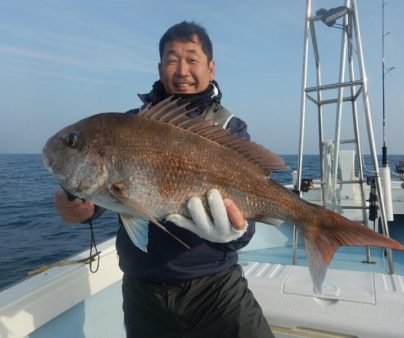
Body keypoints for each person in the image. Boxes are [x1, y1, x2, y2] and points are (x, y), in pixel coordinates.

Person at [54, 21, 274, 338]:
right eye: (172, 59)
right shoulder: (127, 125)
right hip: (143, 293)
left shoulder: (230, 130)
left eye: (192, 59)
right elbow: (95, 201)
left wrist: (234, 232)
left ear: (210, 69)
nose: (182, 70)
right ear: (160, 68)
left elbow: (247, 222)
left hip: (215, 287)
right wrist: (72, 204)